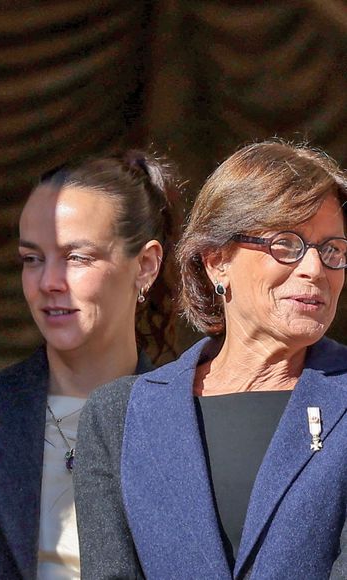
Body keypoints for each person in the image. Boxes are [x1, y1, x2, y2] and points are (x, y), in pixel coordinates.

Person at [0, 151, 181, 579]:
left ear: (145, 266)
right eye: (32, 259)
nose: (49, 281)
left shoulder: (192, 426)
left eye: (76, 257)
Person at [74, 140, 347, 579]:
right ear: (217, 261)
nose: (315, 269)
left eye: (332, 249)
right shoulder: (118, 418)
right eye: (286, 244)